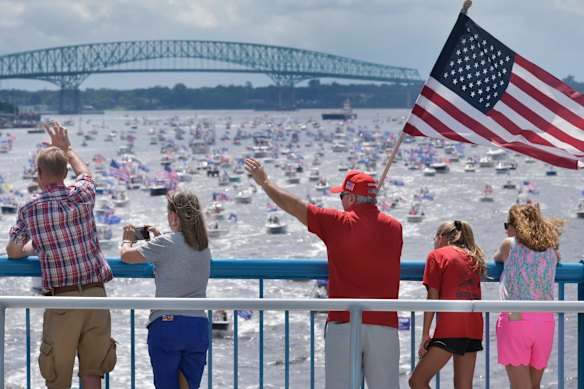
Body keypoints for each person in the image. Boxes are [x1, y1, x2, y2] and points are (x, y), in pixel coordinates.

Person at [245, 157, 403, 389]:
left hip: (344, 322)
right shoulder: (395, 227)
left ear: (350, 197)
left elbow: (295, 207)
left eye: (341, 196)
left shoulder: (337, 222)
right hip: (385, 323)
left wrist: (265, 182)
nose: (340, 201)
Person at [6, 121, 116, 389]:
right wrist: (68, 149)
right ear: (65, 172)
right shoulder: (83, 194)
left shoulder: (30, 207)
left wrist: (37, 245)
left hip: (63, 301)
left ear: (38, 174)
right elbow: (87, 174)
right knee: (93, 372)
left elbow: (14, 250)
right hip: (96, 296)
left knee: (57, 377)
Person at [120, 189, 211, 389]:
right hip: (198, 326)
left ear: (175, 215)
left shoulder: (166, 244)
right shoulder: (203, 246)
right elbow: (175, 263)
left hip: (168, 324)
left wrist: (127, 238)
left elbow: (127, 256)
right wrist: (159, 239)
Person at [493, 204, 566, 389]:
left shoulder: (509, 245)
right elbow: (556, 258)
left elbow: (497, 258)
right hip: (545, 321)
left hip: (516, 318)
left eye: (507, 224)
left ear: (515, 225)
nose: (506, 229)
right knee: (534, 386)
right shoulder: (551, 251)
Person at [409, 220, 486, 389]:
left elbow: (432, 296)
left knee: (417, 381)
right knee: (463, 386)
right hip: (473, 328)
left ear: (441, 238)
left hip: (451, 329)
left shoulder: (437, 256)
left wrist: (425, 335)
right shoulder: (472, 256)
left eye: (434, 239)